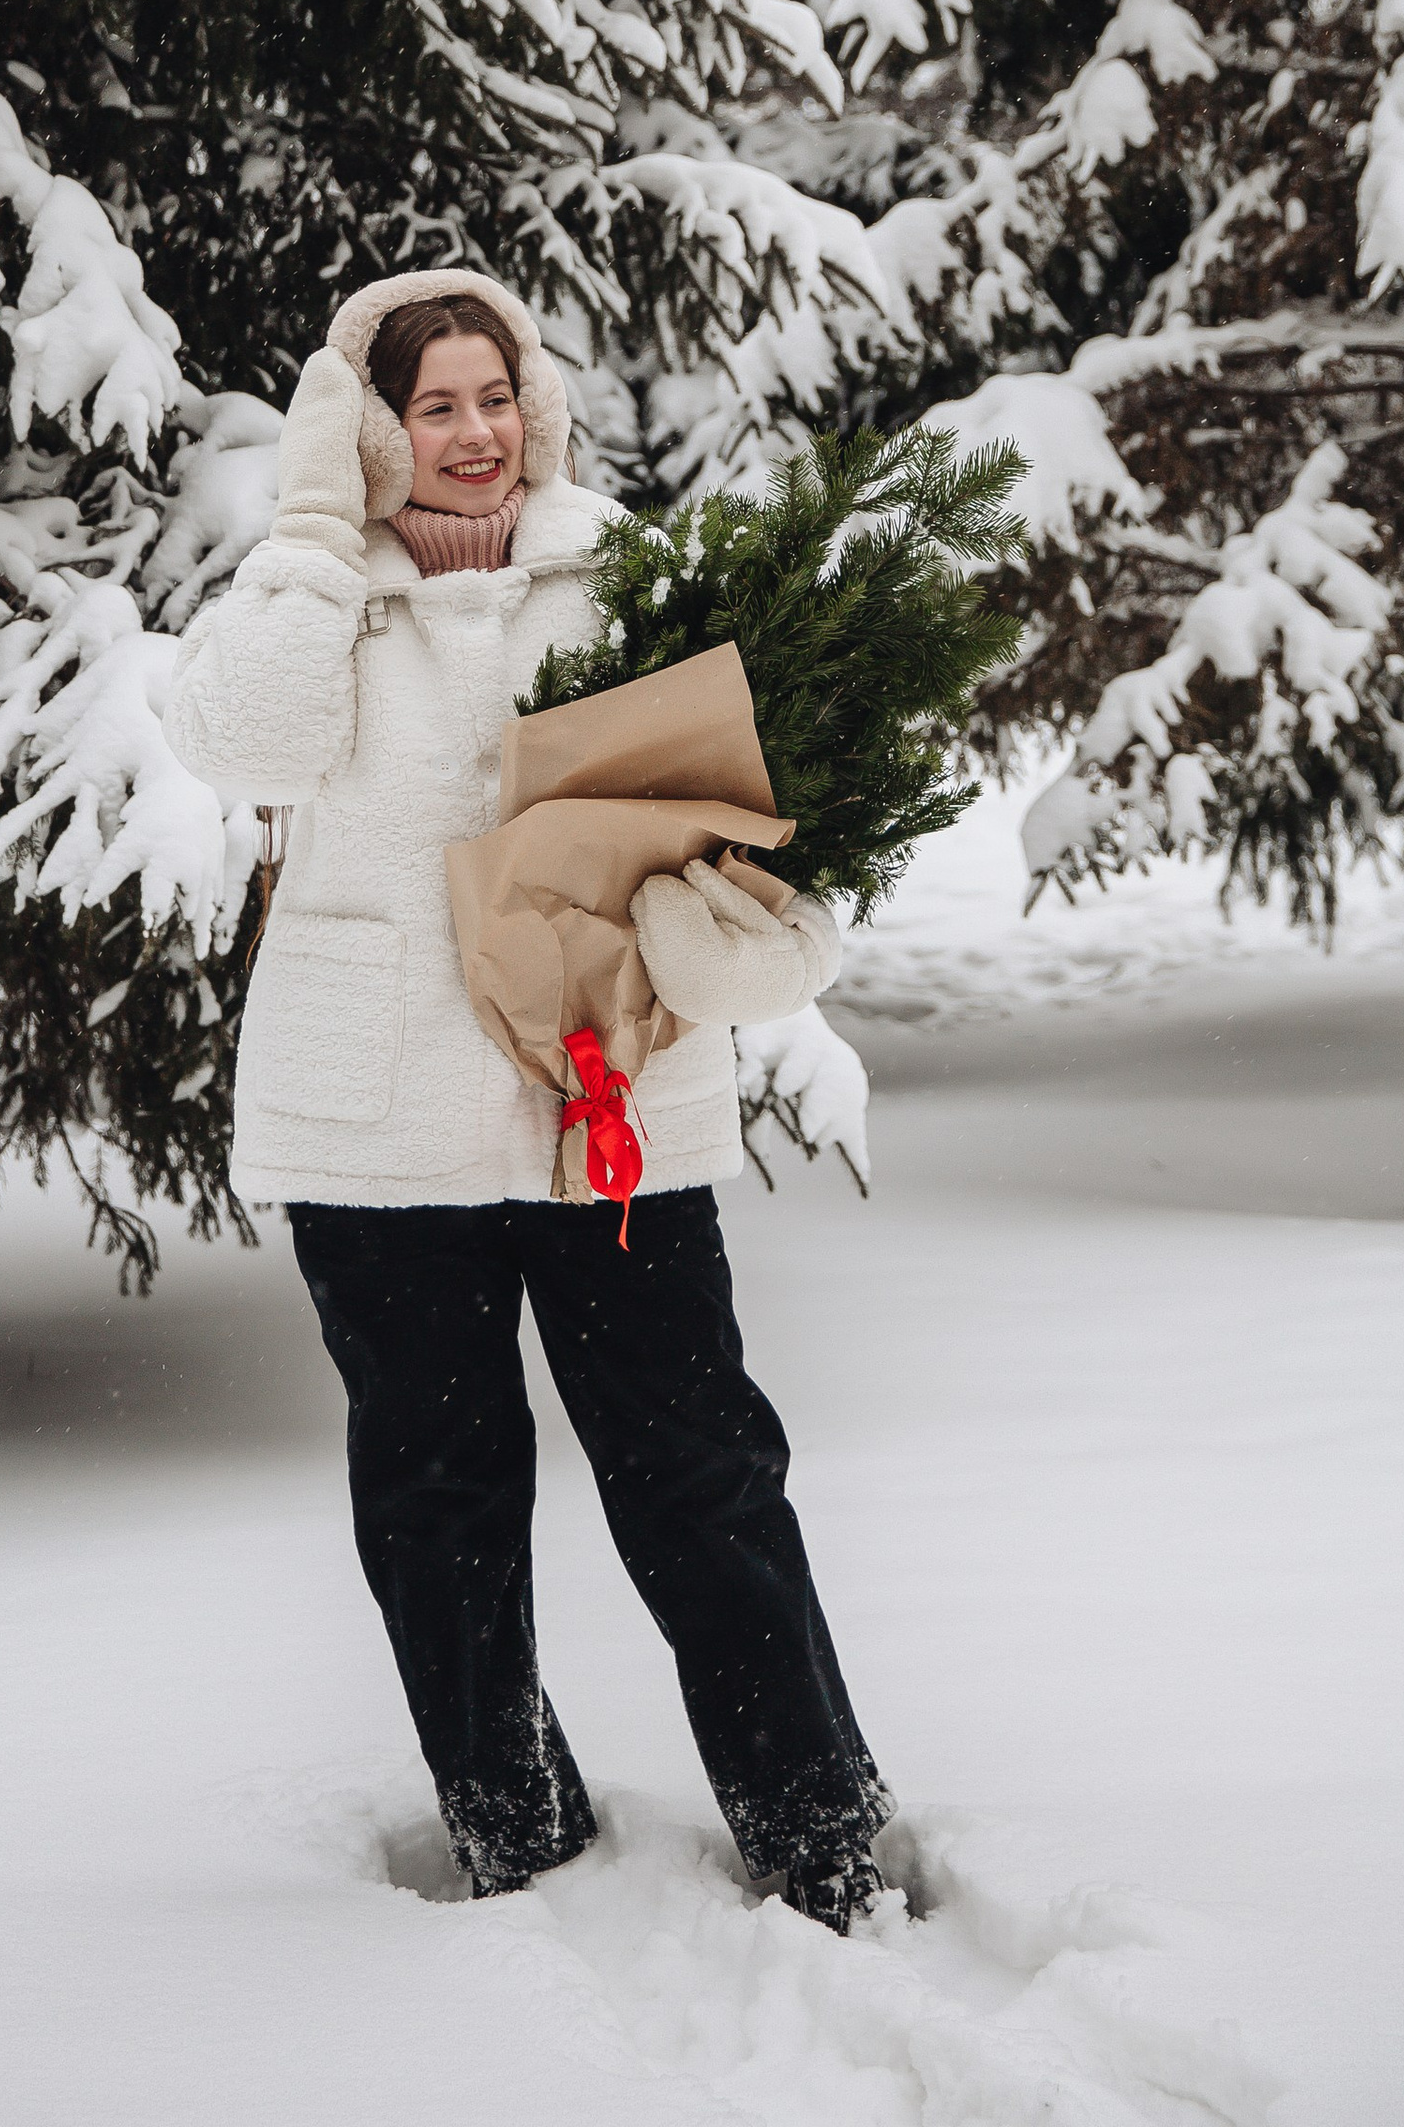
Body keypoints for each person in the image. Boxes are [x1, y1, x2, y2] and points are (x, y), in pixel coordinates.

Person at [163, 267, 892, 1926]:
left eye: (497, 396)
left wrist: (739, 936)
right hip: (381, 1133)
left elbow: (753, 838)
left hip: (605, 1109)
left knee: (704, 1475)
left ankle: (817, 1828)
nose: (477, 435)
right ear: (368, 427)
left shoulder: (626, 579)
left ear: (537, 403)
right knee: (441, 1498)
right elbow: (253, 750)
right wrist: (310, 529)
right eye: (433, 406)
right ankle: (512, 1827)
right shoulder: (306, 597)